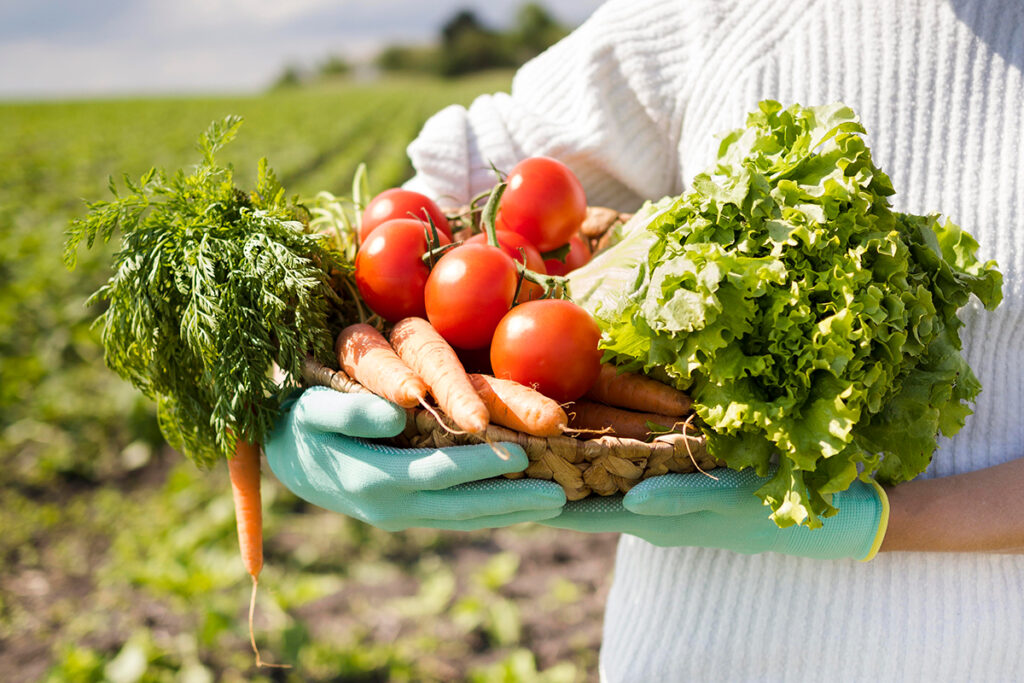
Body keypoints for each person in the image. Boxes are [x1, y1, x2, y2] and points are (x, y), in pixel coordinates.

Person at [266, 0, 1024, 679]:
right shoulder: (726, 14)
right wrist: (289, 381)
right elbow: (437, 199)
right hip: (690, 655)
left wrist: (874, 521)